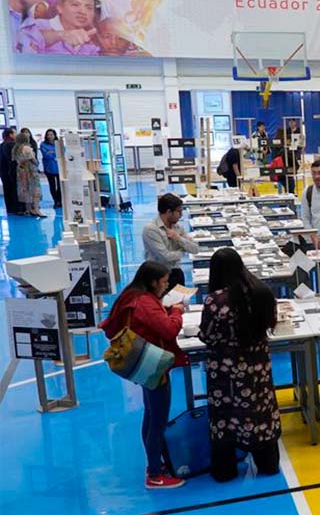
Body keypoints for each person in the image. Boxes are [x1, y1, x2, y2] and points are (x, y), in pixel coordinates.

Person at [99, 261, 188, 489]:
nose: (166, 286)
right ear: (153, 281)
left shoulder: (131, 295)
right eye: (164, 282)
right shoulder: (146, 303)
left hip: (141, 362)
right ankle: (155, 475)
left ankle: (153, 463)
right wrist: (176, 312)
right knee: (158, 418)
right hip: (153, 364)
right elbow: (168, 329)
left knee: (150, 413)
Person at [199, 248, 282, 483]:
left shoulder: (215, 301)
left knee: (225, 417)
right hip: (257, 366)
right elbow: (270, 323)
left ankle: (225, 470)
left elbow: (207, 336)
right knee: (261, 411)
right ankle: (268, 463)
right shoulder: (261, 292)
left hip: (226, 371)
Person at [143, 193, 200, 287]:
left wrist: (178, 238)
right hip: (158, 277)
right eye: (179, 212)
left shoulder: (178, 228)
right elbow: (166, 257)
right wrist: (183, 250)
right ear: (169, 212)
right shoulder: (151, 230)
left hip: (176, 273)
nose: (181, 215)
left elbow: (195, 249)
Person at [13, 132, 44, 217]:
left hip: (21, 172)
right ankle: (37, 209)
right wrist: (37, 163)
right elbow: (33, 160)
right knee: (35, 190)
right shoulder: (27, 148)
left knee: (25, 190)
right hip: (30, 172)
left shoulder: (16, 149)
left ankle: (28, 209)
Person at [0, 127, 20, 215]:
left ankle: (10, 208)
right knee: (13, 189)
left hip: (3, 171)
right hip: (11, 171)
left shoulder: (2, 144)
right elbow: (12, 159)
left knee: (7, 189)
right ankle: (17, 208)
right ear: (10, 134)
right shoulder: (11, 144)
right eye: (15, 133)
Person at [39, 129, 60, 208]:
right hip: (49, 168)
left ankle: (59, 199)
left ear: (54, 135)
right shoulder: (43, 144)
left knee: (60, 186)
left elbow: (62, 153)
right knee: (52, 185)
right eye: (48, 135)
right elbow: (46, 155)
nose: (50, 136)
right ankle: (56, 201)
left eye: (51, 134)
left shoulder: (58, 144)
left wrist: (51, 152)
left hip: (59, 168)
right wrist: (54, 154)